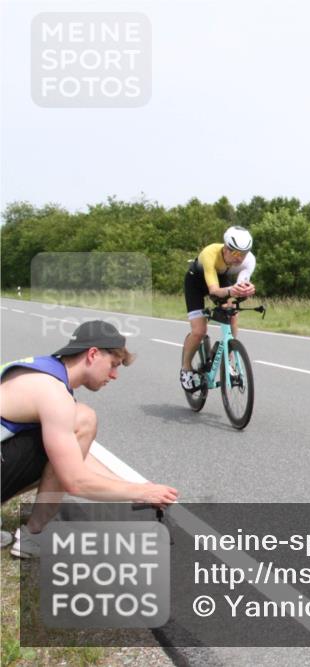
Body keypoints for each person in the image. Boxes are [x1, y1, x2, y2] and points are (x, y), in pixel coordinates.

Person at [1, 320, 179, 558]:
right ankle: (34, 534)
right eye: (113, 365)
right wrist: (138, 493)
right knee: (84, 418)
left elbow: (75, 458)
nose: (114, 375)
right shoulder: (54, 394)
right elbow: (75, 480)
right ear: (93, 354)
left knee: (65, 443)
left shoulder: (40, 370)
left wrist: (139, 487)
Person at [180, 225, 257, 390]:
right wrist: (231, 290)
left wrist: (246, 289)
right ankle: (186, 368)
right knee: (199, 331)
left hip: (221, 279)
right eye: (236, 253)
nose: (239, 258)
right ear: (226, 248)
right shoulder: (210, 254)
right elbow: (214, 291)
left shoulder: (249, 260)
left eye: (243, 254)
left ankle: (228, 358)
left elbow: (240, 284)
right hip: (196, 282)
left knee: (232, 314)